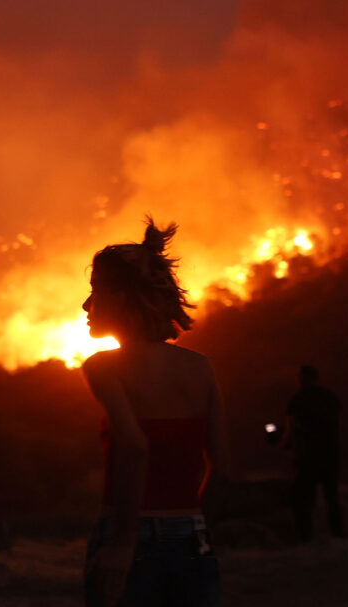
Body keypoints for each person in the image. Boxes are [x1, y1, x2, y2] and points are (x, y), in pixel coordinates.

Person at [81, 219, 230, 607]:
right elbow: (222, 468)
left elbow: (134, 447)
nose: (86, 305)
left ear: (120, 299)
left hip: (128, 532)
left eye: (95, 291)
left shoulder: (103, 367)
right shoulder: (200, 367)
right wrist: (195, 529)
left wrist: (123, 544)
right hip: (192, 534)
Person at [282, 365, 343, 541]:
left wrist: (287, 444)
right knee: (331, 496)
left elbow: (293, 427)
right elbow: (338, 422)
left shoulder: (298, 399)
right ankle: (338, 533)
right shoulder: (329, 397)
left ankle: (305, 536)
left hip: (308, 456)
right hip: (330, 454)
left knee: (302, 498)